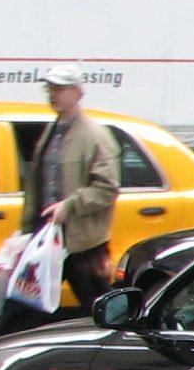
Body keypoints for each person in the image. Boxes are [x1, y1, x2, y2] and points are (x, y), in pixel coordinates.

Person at [6, 66, 119, 332]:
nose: (53, 94)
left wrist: (70, 206)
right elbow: (38, 183)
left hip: (83, 243)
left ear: (78, 92)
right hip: (47, 237)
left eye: (59, 88)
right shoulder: (53, 131)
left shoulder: (95, 136)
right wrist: (27, 230)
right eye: (50, 89)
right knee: (22, 307)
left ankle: (122, 349)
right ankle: (8, 352)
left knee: (102, 310)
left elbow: (107, 188)